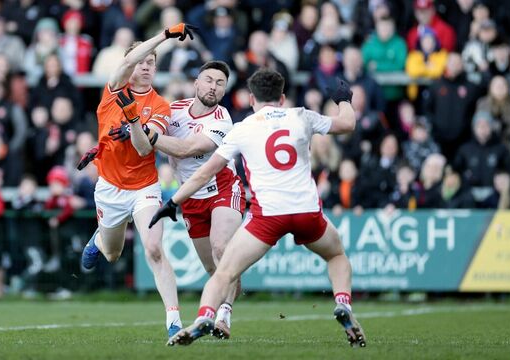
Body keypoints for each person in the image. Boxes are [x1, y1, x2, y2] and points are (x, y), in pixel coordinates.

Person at [150, 69, 366, 347]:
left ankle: (205, 316)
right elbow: (348, 124)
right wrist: (343, 99)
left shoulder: (243, 127)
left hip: (268, 217)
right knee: (336, 255)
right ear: (283, 98)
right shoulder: (302, 115)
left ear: (252, 99)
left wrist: (173, 202)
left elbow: (205, 172)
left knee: (224, 271)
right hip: (306, 212)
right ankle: (343, 303)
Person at [77, 22, 198, 338]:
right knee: (113, 253)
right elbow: (129, 63)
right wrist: (166, 35)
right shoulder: (114, 90)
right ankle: (100, 238)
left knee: (154, 248)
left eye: (151, 63)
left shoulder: (160, 106)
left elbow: (146, 147)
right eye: (141, 62)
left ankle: (173, 319)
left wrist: (133, 121)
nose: (145, 67)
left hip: (144, 186)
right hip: (110, 187)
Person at [109, 60, 245, 339]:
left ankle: (224, 315)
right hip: (190, 197)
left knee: (222, 250)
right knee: (212, 268)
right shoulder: (173, 110)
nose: (213, 87)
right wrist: (125, 135)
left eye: (220, 83)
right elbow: (143, 141)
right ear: (196, 83)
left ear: (224, 90)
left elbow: (186, 149)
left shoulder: (222, 120)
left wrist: (145, 132)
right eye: (208, 80)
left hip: (222, 189)